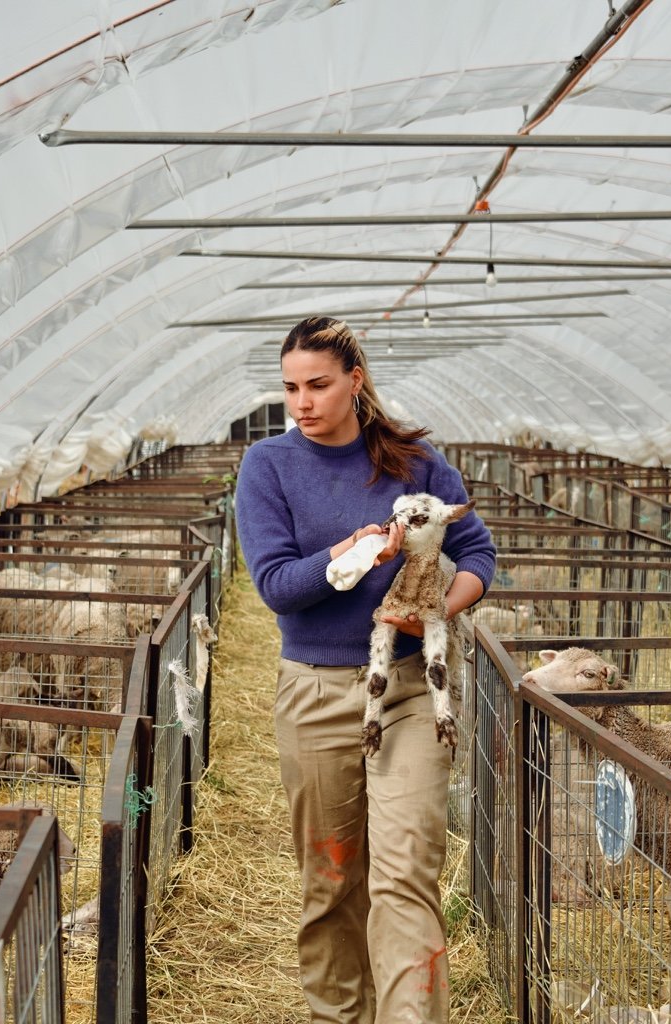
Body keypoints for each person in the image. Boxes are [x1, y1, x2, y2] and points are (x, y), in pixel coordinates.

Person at [235, 316, 496, 1023]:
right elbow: (276, 586)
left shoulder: (415, 462)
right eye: (291, 388)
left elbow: (477, 554)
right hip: (315, 694)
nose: (303, 402)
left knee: (405, 878)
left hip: (409, 691)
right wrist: (346, 557)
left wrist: (439, 607)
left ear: (355, 379)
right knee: (332, 882)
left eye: (318, 384)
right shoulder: (269, 467)